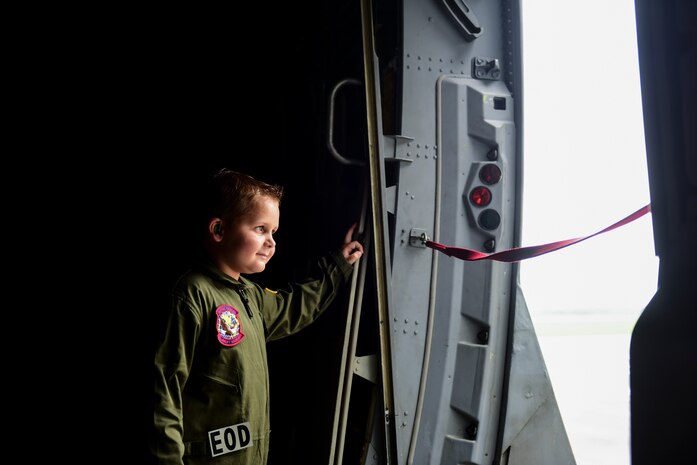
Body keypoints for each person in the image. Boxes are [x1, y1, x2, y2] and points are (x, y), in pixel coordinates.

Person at [150, 168, 363, 465]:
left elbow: (293, 307)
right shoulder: (191, 295)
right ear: (219, 230)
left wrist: (338, 266)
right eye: (260, 229)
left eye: (273, 232)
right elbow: (162, 395)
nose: (271, 242)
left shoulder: (249, 295)